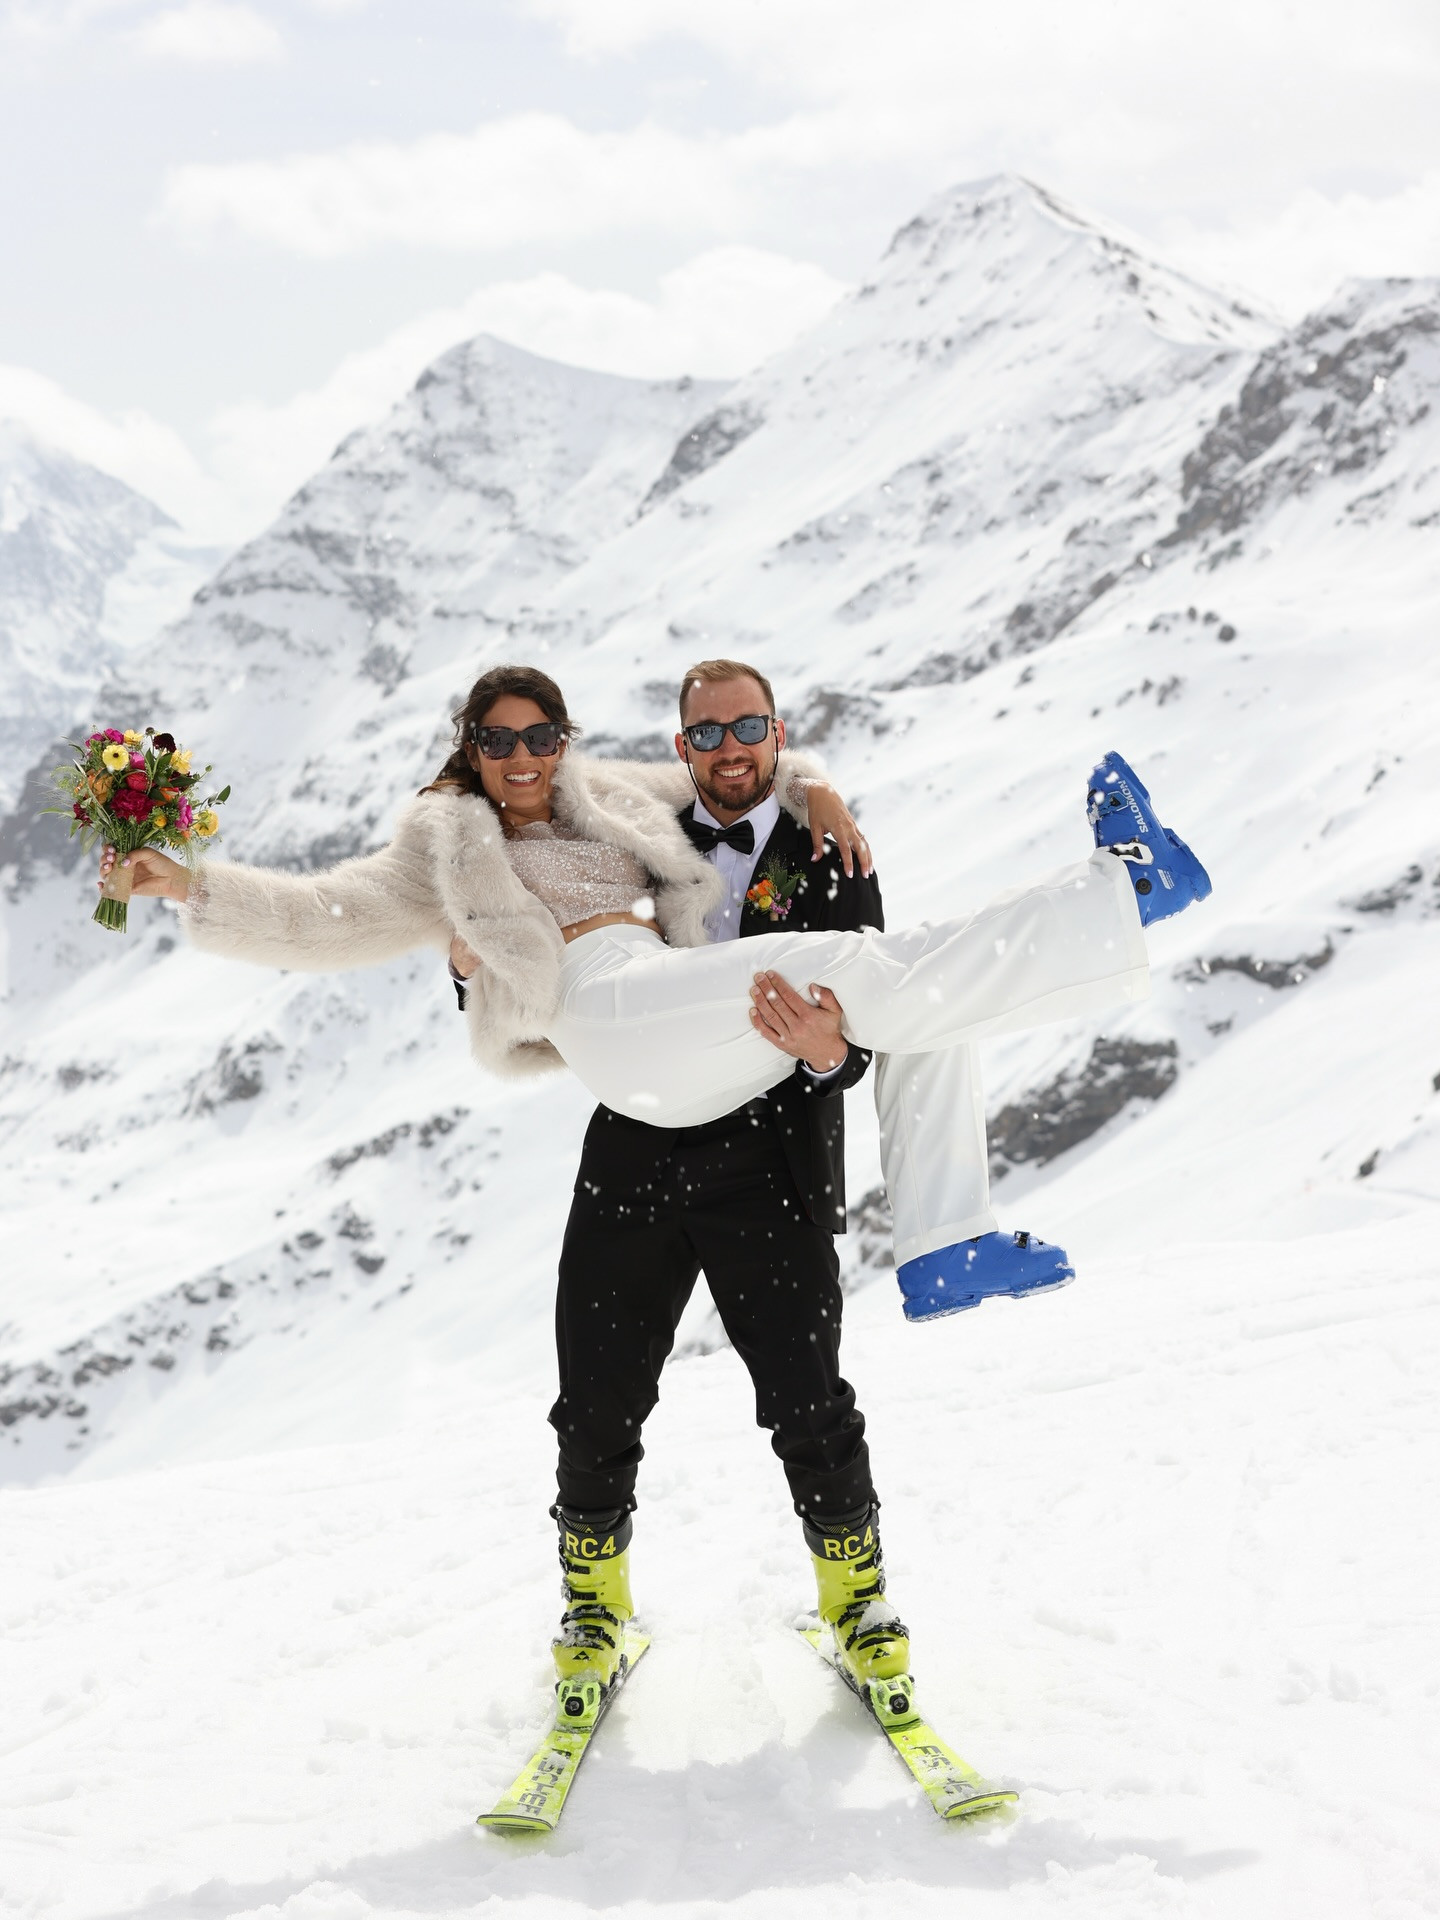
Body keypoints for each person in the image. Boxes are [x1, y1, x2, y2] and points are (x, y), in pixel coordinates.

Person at [102, 661, 1210, 1707]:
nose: (523, 757)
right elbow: (322, 915)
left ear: (565, 740)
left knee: (909, 994)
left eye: (541, 735)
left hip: (723, 1076)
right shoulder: (442, 845)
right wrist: (186, 884)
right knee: (601, 1388)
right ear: (471, 750)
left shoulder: (614, 796)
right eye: (499, 740)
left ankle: (942, 1256)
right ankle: (594, 1609)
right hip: (610, 1022)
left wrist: (816, 787)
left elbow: (743, 771)